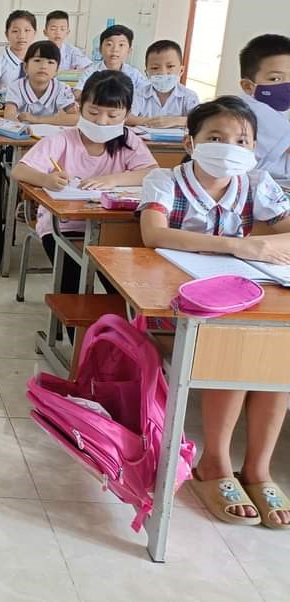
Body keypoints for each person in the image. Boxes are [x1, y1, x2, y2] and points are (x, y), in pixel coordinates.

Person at [139, 96, 290, 529]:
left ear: (254, 147)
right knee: (236, 349)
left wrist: (262, 247)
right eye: (216, 137)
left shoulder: (256, 183)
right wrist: (237, 245)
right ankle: (216, 464)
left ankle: (258, 470)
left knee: (277, 356)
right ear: (191, 143)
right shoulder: (165, 181)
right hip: (177, 305)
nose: (229, 148)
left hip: (244, 295)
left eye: (241, 140)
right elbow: (154, 235)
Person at [11, 70, 157, 294]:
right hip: (63, 226)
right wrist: (46, 179)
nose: (101, 121)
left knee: (124, 287)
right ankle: (70, 317)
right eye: (93, 112)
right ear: (80, 107)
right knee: (71, 284)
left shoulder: (129, 140)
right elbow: (19, 170)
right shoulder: (62, 139)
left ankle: (113, 315)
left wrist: (112, 180)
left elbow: (152, 172)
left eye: (112, 115)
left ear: (126, 115)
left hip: (112, 227)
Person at [237, 34, 290, 181]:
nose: (287, 85)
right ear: (248, 86)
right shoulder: (256, 111)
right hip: (267, 183)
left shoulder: (268, 107)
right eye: (275, 79)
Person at [127, 40, 199, 128]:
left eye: (170, 66)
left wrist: (173, 121)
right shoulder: (139, 94)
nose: (162, 72)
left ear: (181, 71)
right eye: (155, 68)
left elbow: (198, 120)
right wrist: (153, 122)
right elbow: (126, 117)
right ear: (146, 73)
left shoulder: (189, 96)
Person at [3, 41, 77, 125]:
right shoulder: (15, 87)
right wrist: (18, 127)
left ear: (56, 70)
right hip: (22, 131)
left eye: (50, 62)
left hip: (49, 132)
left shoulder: (62, 89)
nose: (43, 66)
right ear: (25, 66)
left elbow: (74, 118)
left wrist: (36, 119)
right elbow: (9, 114)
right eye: (37, 60)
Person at [76, 24, 147, 93]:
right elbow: (78, 92)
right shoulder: (90, 72)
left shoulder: (134, 74)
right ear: (100, 49)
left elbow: (147, 92)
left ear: (129, 51)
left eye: (121, 45)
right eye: (109, 44)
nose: (115, 49)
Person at [0, 10, 37, 94]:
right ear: (7, 34)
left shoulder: (40, 61)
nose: (21, 36)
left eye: (27, 30)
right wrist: (13, 98)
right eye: (15, 31)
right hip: (5, 102)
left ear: (34, 34)